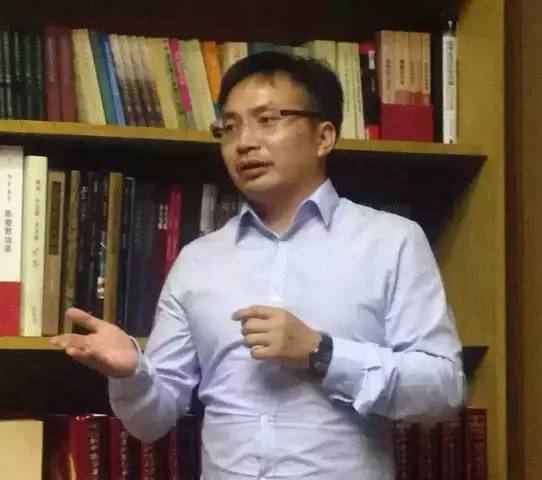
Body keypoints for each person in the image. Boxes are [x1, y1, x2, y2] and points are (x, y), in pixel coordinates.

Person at [52, 51, 465, 479]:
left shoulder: (392, 241)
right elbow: (151, 422)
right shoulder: (198, 260)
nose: (244, 142)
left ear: (324, 136)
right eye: (229, 127)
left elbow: (444, 390)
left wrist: (324, 353)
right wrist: (131, 375)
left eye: (267, 120)